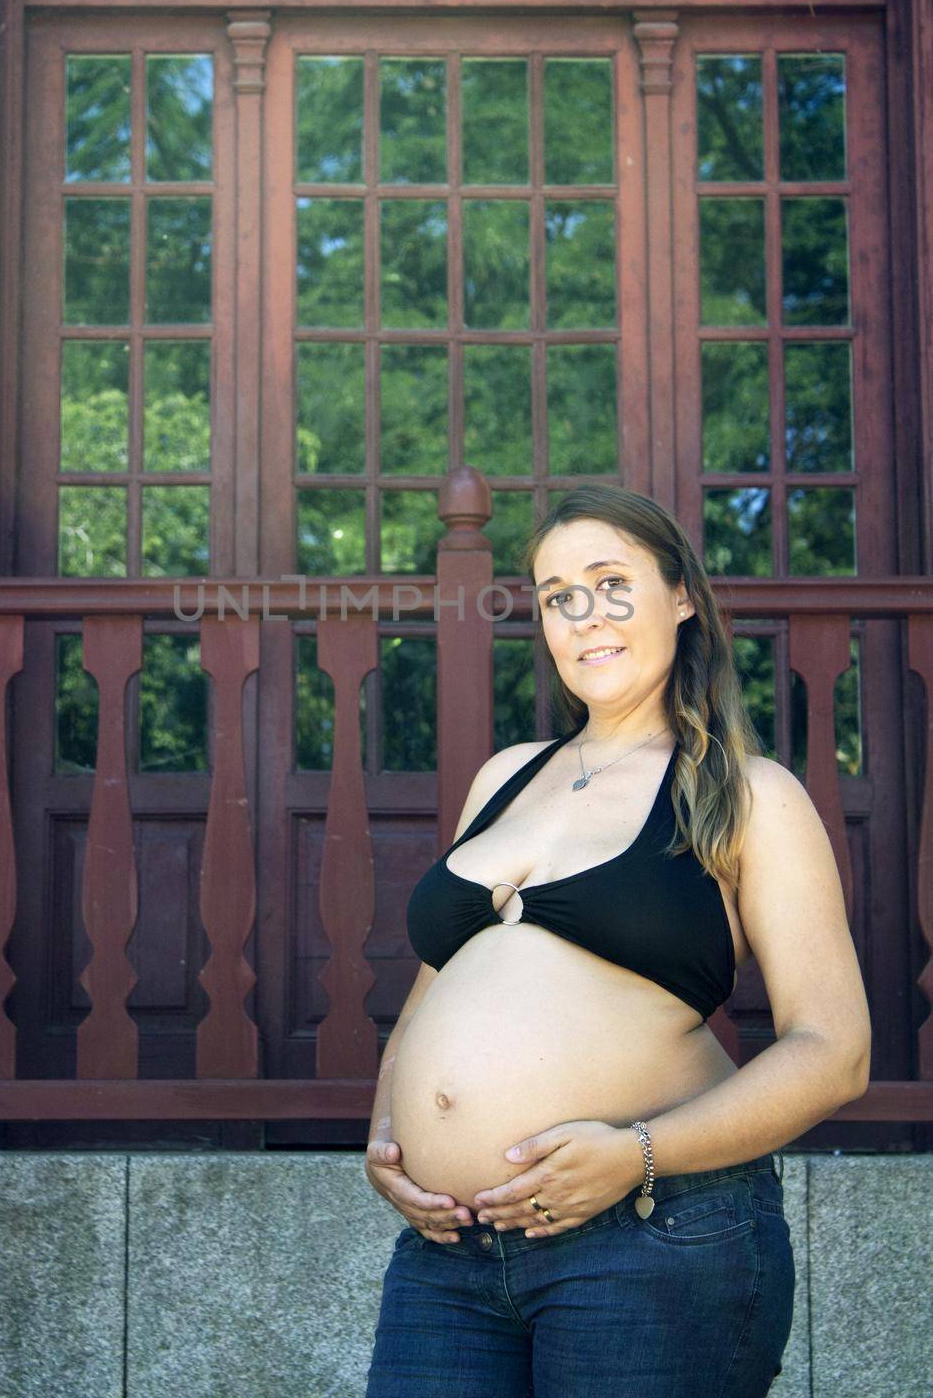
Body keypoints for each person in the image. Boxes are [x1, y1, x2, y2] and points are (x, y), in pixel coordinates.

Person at [363, 483, 871, 1398]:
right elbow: (433, 990)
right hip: (450, 1253)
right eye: (558, 596)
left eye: (610, 583)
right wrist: (389, 1132)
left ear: (681, 597)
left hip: (650, 1236)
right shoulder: (505, 778)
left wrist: (634, 1153)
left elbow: (832, 1053)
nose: (582, 616)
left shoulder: (751, 796)